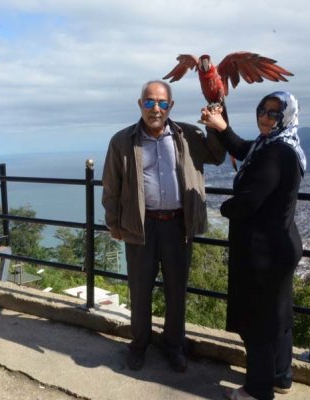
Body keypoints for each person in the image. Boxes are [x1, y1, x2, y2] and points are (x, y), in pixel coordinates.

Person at [102, 80, 226, 372]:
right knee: (140, 290)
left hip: (177, 226)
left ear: (170, 106)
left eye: (161, 103)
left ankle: (174, 346)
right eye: (149, 102)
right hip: (140, 227)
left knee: (176, 290)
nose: (155, 108)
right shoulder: (122, 141)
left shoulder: (190, 135)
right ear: (140, 105)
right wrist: (113, 223)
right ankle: (139, 345)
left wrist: (217, 122)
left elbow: (218, 155)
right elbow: (111, 186)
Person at [200, 92, 305, 400]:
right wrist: (221, 126)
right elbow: (245, 148)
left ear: (285, 116)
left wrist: (222, 209)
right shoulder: (280, 145)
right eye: (263, 110)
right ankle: (280, 376)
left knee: (257, 321)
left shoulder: (276, 153)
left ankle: (258, 390)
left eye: (274, 113)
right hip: (281, 245)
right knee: (278, 316)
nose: (265, 117)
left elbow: (250, 200)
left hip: (263, 252)